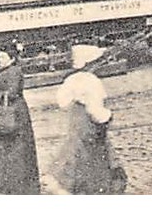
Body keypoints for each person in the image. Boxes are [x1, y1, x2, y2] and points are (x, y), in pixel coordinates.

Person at [47, 44, 123, 194]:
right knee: (95, 154)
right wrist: (106, 117)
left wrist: (77, 99)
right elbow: (95, 109)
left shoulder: (71, 79)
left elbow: (62, 101)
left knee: (75, 150)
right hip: (90, 122)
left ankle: (70, 183)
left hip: (76, 119)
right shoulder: (92, 81)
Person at [0, 47, 40, 194]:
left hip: (13, 112)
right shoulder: (5, 70)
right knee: (2, 146)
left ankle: (14, 181)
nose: (0, 60)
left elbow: (13, 92)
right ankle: (2, 179)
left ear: (12, 59)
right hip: (5, 110)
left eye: (3, 58)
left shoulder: (15, 71)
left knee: (14, 147)